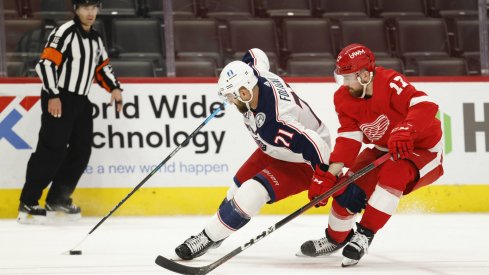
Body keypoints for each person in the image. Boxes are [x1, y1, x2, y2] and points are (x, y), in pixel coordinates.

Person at [174, 49, 333, 260]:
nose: (230, 101)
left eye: (232, 96)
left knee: (251, 193)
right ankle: (217, 234)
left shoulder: (275, 122)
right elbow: (255, 54)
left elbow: (317, 144)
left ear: (245, 92)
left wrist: (323, 179)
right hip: (276, 150)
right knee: (235, 190)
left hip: (302, 161)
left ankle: (206, 237)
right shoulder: (255, 73)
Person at [298, 43, 444, 267]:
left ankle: (364, 235)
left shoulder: (390, 82)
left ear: (365, 74)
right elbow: (349, 139)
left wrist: (407, 130)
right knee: (347, 189)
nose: (344, 84)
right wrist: (329, 175)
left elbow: (425, 104)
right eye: (341, 77)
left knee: (393, 173)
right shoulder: (343, 98)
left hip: (422, 149)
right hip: (384, 148)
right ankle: (335, 239)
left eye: (348, 77)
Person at [17, 0, 123, 224]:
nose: (90, 12)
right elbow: (45, 64)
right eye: (85, 7)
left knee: (81, 151)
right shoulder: (64, 32)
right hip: (59, 96)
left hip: (81, 101)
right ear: (75, 9)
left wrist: (114, 88)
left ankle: (58, 198)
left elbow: (102, 67)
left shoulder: (95, 38)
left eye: (94, 7)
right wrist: (53, 95)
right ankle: (29, 200)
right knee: (51, 149)